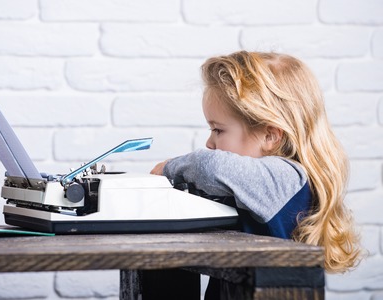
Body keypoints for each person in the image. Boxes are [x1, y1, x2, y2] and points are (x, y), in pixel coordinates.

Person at [150, 50, 361, 296]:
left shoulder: (285, 179)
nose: (209, 143)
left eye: (218, 130)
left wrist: (170, 167)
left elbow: (211, 166)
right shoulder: (254, 186)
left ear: (270, 136)